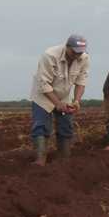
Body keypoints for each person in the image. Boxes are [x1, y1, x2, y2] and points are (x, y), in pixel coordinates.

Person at [29, 34, 90, 166]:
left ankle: (64, 160)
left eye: (80, 53)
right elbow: (43, 83)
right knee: (41, 126)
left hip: (64, 96)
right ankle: (40, 160)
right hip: (44, 95)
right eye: (74, 52)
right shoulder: (50, 56)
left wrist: (77, 101)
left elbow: (81, 81)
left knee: (66, 126)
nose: (77, 56)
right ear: (67, 47)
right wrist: (57, 103)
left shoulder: (84, 58)